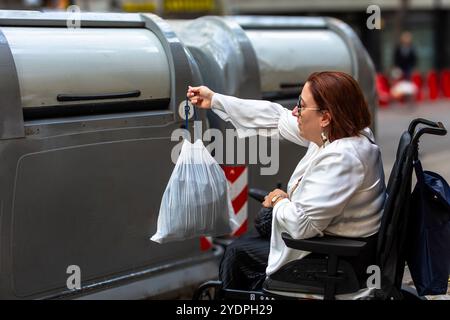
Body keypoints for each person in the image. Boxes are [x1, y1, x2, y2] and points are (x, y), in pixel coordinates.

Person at [187, 71, 386, 293]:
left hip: (338, 262)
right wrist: (215, 99)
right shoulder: (342, 134)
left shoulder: (343, 157)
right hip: (342, 250)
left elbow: (303, 225)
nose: (295, 112)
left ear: (325, 117)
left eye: (301, 106)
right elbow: (277, 118)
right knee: (250, 241)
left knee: (238, 253)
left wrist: (279, 200)